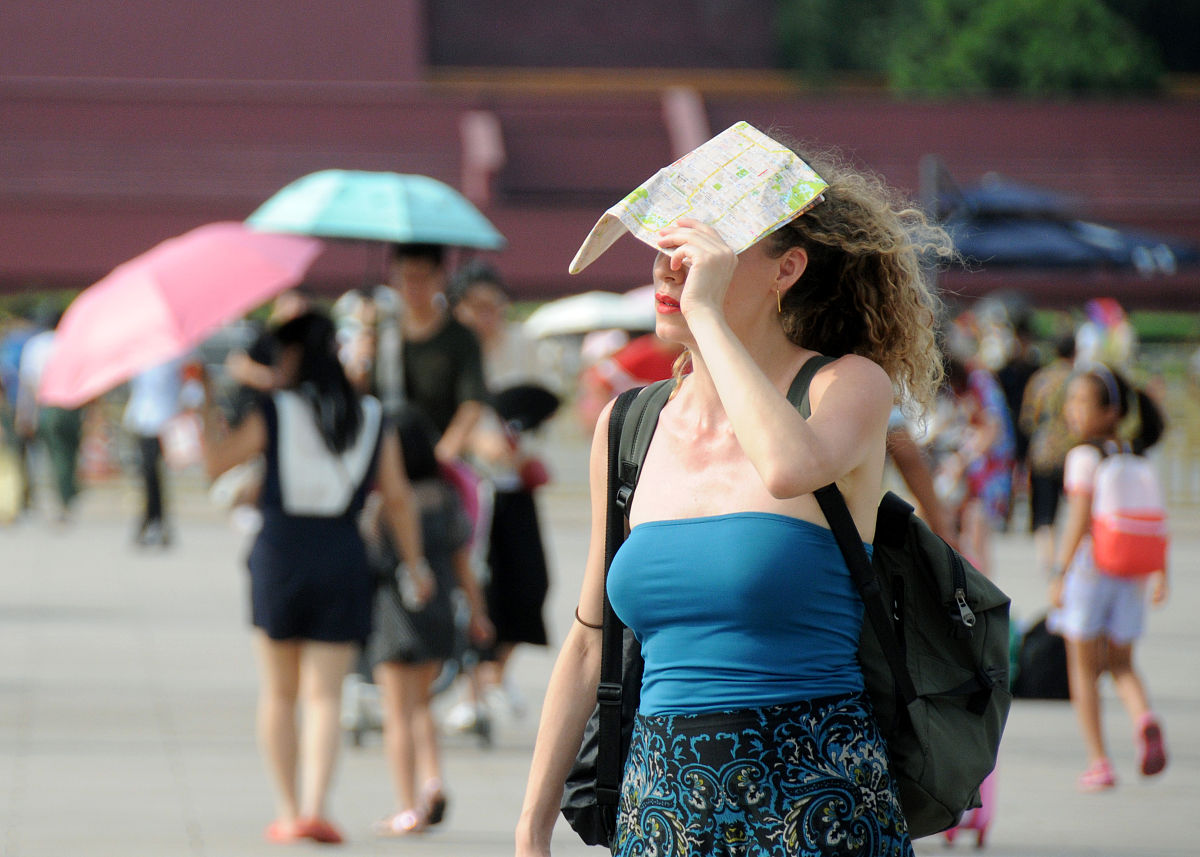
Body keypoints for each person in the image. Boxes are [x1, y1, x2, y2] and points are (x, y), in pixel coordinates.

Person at [516, 139, 947, 857]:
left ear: (788, 268)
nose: (669, 266)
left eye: (703, 248)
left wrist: (707, 317)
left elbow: (787, 466)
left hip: (817, 803)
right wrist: (531, 830)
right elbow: (591, 640)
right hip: (662, 810)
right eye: (663, 246)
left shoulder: (845, 387)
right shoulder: (628, 426)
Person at [202, 310, 432, 845]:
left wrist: (203, 408)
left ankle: (287, 811)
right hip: (343, 551)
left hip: (281, 553)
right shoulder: (373, 415)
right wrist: (415, 564)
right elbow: (396, 498)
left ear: (292, 356)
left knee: (280, 692)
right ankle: (315, 806)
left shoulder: (274, 410)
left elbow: (216, 463)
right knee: (326, 694)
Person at [364, 406, 494, 836]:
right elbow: (463, 564)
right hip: (438, 611)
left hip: (392, 612)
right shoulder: (445, 496)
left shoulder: (385, 504)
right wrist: (477, 614)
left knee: (395, 712)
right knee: (421, 705)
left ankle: (407, 806)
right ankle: (433, 780)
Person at [1048, 364, 1169, 792]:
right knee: (1121, 663)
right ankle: (1144, 719)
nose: (1072, 411)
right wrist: (1161, 573)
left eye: (1082, 402)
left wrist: (1058, 572)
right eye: (1071, 402)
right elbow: (1154, 518)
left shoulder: (1084, 457)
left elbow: (1079, 518)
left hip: (1090, 570)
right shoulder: (1136, 457)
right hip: (1132, 572)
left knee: (1082, 669)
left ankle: (1099, 761)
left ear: (1109, 411)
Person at [447, 263, 555, 730]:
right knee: (475, 587)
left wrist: (524, 451)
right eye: (476, 308)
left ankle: (493, 676)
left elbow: (541, 410)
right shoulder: (450, 351)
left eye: (495, 308)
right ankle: (472, 691)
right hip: (465, 484)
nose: (487, 318)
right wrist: (472, 441)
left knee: (529, 582)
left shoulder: (523, 346)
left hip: (512, 485)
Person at [1020, 334, 1078, 577]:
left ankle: (1049, 562)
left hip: (1043, 451)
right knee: (1077, 507)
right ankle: (1071, 559)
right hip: (1074, 451)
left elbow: (1027, 418)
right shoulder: (1080, 380)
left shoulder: (1041, 378)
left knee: (1045, 512)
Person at [123, 357, 185, 547]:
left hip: (165, 418)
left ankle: (154, 520)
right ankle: (153, 519)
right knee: (148, 473)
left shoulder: (174, 356)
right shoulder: (140, 357)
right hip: (143, 419)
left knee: (153, 472)